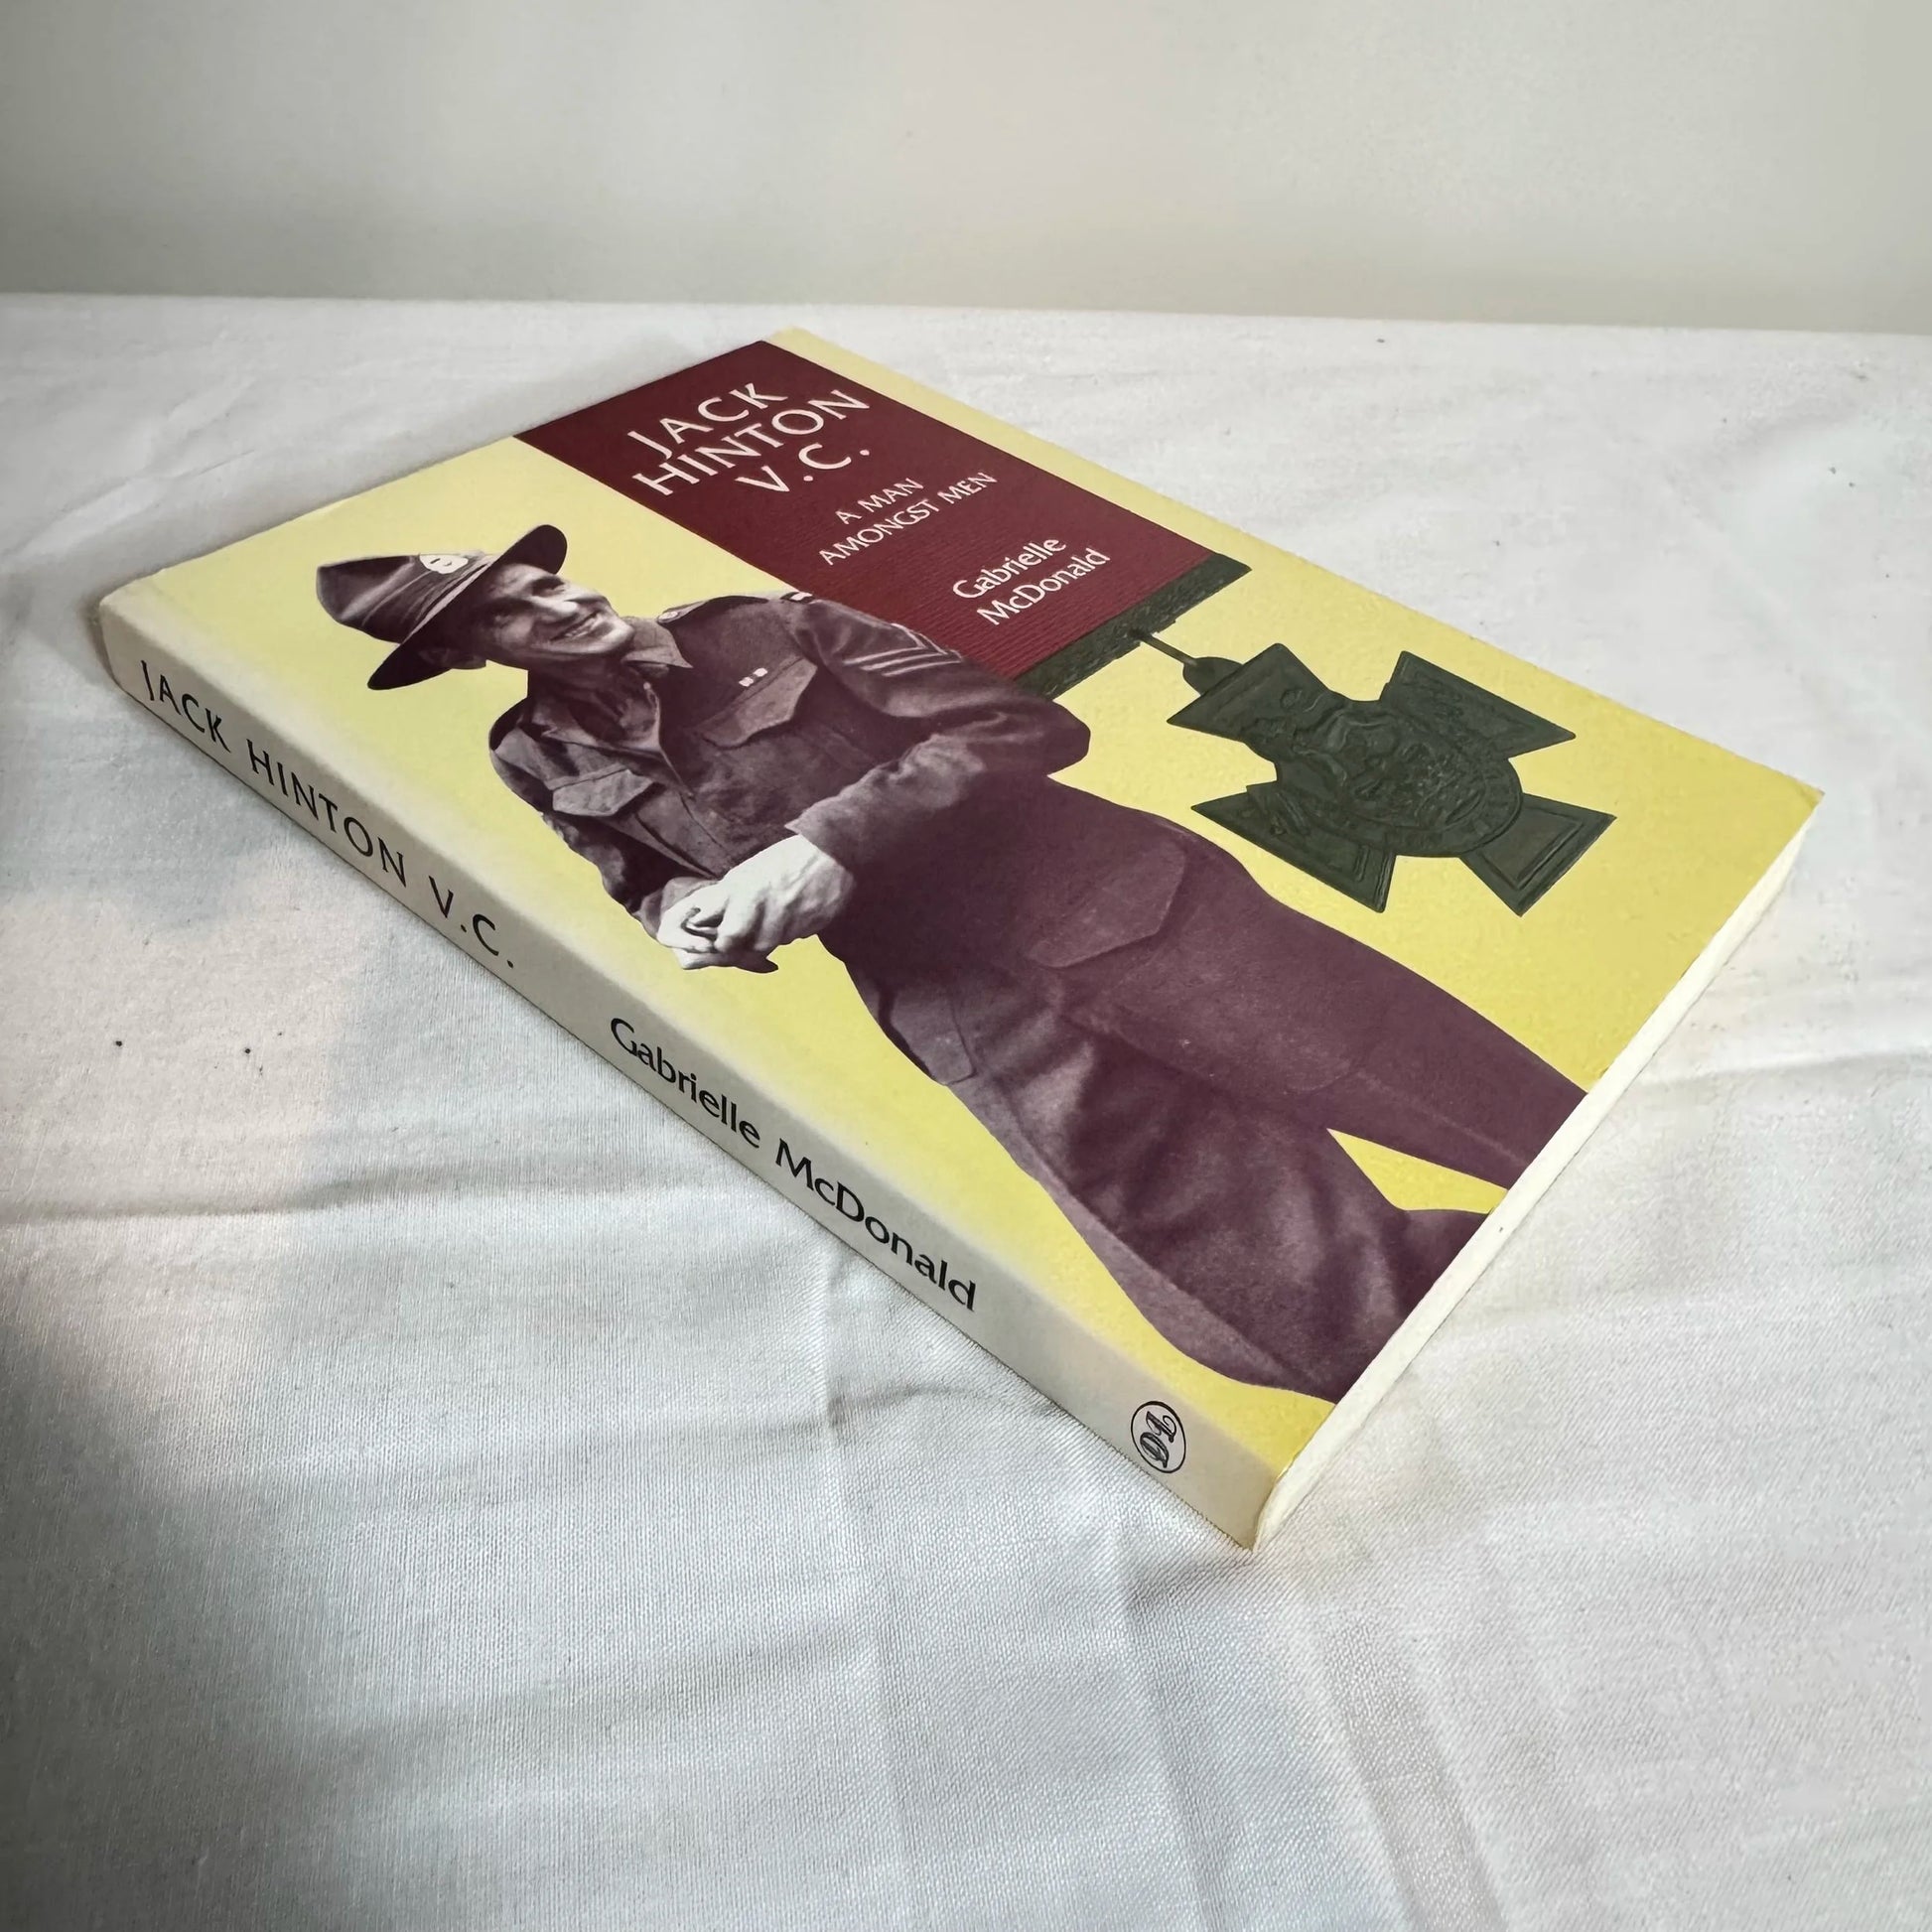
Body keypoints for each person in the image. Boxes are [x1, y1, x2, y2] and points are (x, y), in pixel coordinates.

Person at [318, 524, 1583, 1401]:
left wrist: (828, 843)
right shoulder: (528, 754)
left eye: (539, 580)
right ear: (469, 656)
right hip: (962, 1010)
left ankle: (1614, 1230)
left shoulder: (769, 622)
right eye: (508, 614)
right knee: (1272, 1297)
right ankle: (1539, 1347)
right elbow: (635, 877)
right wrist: (687, 918)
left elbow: (1023, 722)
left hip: (1128, 911)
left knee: (1480, 1111)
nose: (554, 605)